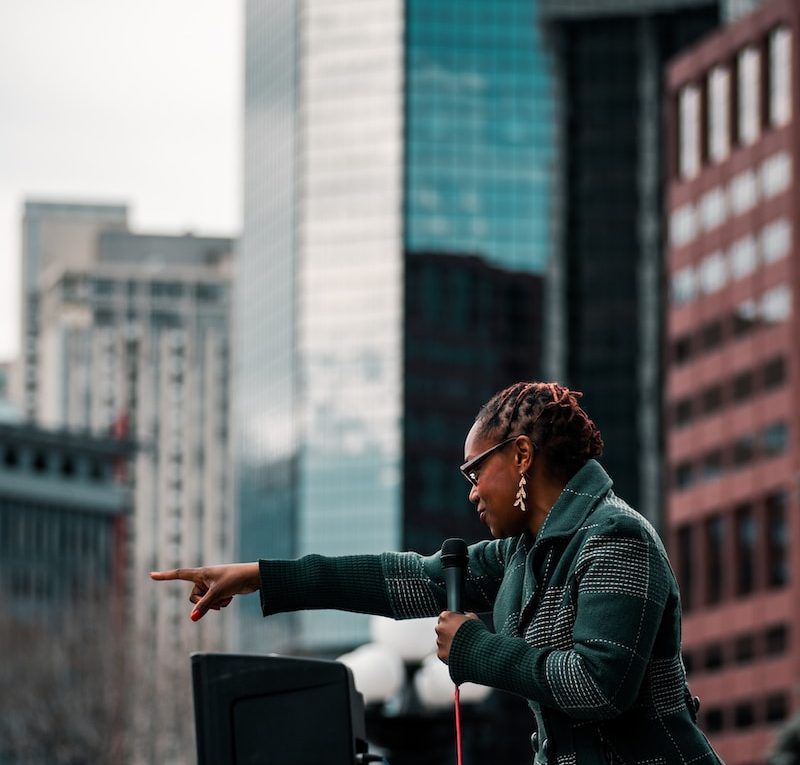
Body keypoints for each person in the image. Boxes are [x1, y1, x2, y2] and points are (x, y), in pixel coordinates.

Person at [152, 381, 724, 765]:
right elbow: (402, 580)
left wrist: (477, 649)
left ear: (522, 456)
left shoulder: (615, 538)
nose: (472, 491)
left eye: (476, 470)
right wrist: (262, 577)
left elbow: (596, 686)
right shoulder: (525, 553)